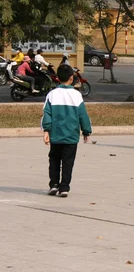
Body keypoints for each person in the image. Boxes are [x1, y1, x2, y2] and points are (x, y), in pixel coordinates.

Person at [42, 64, 92, 197]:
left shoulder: (52, 94)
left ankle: (53, 184)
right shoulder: (76, 95)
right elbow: (83, 115)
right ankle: (64, 187)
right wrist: (86, 131)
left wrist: (46, 131)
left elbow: (47, 113)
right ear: (71, 78)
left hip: (56, 135)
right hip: (71, 135)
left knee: (54, 160)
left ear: (57, 78)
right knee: (68, 161)